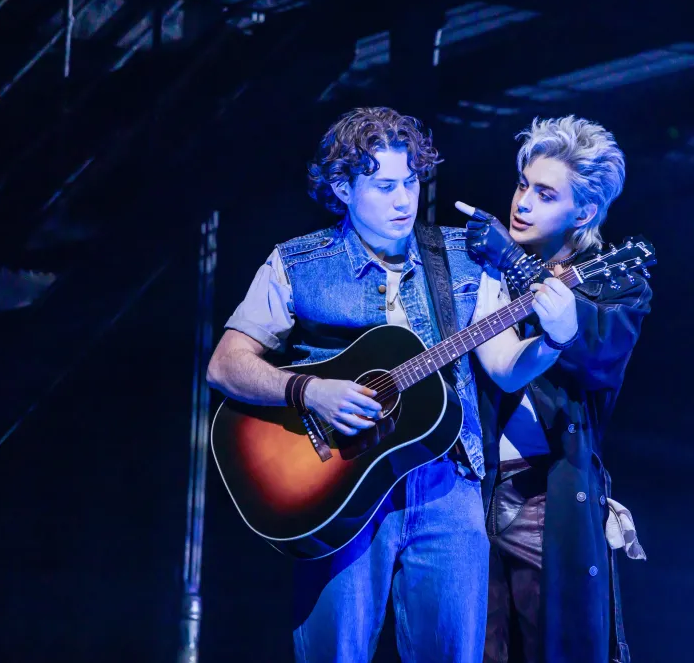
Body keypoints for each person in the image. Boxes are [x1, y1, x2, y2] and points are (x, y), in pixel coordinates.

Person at [206, 106, 582, 662]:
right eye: (384, 186)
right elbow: (225, 365)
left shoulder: (463, 256)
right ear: (342, 185)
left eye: (410, 181)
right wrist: (309, 391)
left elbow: (503, 365)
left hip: (446, 482)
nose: (405, 200)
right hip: (341, 487)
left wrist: (553, 340)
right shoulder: (297, 262)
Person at [456, 115, 652, 663]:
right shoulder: (479, 268)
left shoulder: (615, 279)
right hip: (466, 489)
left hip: (545, 497)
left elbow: (598, 357)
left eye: (545, 194)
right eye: (523, 185)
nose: (523, 202)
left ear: (583, 212)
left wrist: (514, 263)